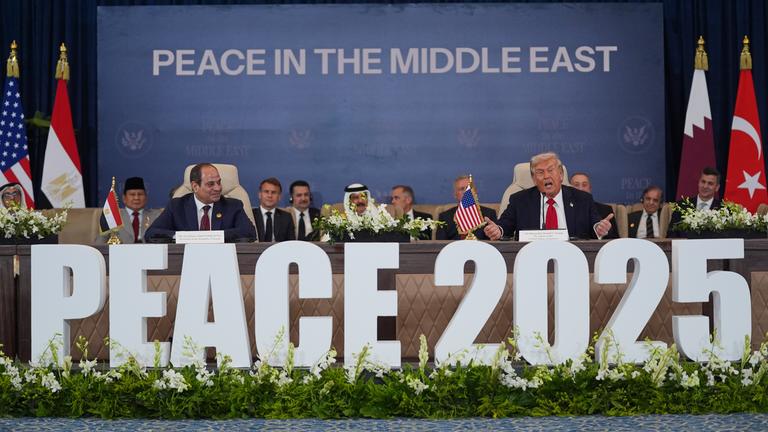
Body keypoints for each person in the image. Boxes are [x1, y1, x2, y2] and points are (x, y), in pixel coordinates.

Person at [484, 152, 613, 240]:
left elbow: (595, 225)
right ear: (534, 179)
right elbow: (505, 224)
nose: (546, 176)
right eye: (540, 172)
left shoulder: (582, 199)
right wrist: (498, 230)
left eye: (550, 170)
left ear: (561, 175)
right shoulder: (520, 200)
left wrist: (599, 229)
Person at [145, 163, 256, 242]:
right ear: (195, 186)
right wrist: (183, 237)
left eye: (219, 182)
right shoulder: (177, 206)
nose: (218, 188)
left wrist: (212, 237)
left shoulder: (233, 206)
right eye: (211, 184)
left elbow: (249, 232)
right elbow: (151, 233)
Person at [96, 177, 162, 244]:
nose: (136, 198)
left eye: (140, 194)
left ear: (146, 197)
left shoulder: (156, 216)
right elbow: (99, 243)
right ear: (124, 198)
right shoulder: (112, 216)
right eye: (132, 194)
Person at [436, 175, 496, 240]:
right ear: (455, 194)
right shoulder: (444, 217)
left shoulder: (489, 214)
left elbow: (496, 241)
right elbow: (440, 244)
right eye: (462, 189)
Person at [669, 166, 723, 233]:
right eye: (703, 182)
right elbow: (671, 233)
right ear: (698, 183)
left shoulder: (723, 210)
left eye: (710, 183)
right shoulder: (681, 206)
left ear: (717, 187)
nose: (705, 186)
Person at [569, 172, 619, 239]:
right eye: (576, 185)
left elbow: (615, 238)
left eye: (584, 185)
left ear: (590, 188)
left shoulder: (606, 210)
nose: (580, 189)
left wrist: (604, 231)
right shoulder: (564, 209)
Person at [253, 177, 295, 242]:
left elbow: (291, 243)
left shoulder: (286, 217)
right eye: (266, 192)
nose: (270, 196)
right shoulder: (251, 215)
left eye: (273, 192)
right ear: (260, 194)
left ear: (279, 197)